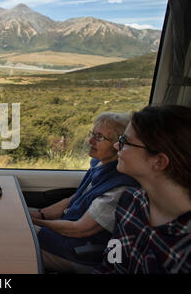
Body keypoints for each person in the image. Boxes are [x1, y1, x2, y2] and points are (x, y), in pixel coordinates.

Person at [30, 112, 140, 273]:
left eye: (100, 137)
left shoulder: (120, 187)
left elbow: (80, 229)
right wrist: (39, 214)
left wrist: (29, 223)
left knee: (10, 238)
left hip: (78, 252)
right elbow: (74, 199)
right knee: (9, 219)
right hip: (63, 235)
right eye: (92, 134)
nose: (90, 141)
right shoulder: (100, 165)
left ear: (119, 145)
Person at [93, 105, 191, 274]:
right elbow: (111, 263)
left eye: (125, 142)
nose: (117, 146)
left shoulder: (185, 248)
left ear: (159, 162)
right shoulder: (131, 201)